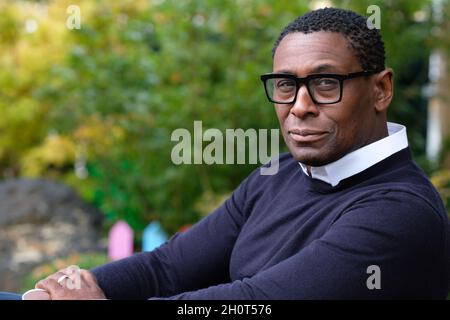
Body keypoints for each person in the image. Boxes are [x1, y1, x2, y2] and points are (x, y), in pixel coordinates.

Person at [2, 7, 450, 300]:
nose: (300, 105)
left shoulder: (400, 213)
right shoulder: (279, 175)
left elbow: (257, 304)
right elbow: (169, 266)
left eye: (326, 83)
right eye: (285, 85)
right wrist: (75, 287)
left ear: (381, 89)